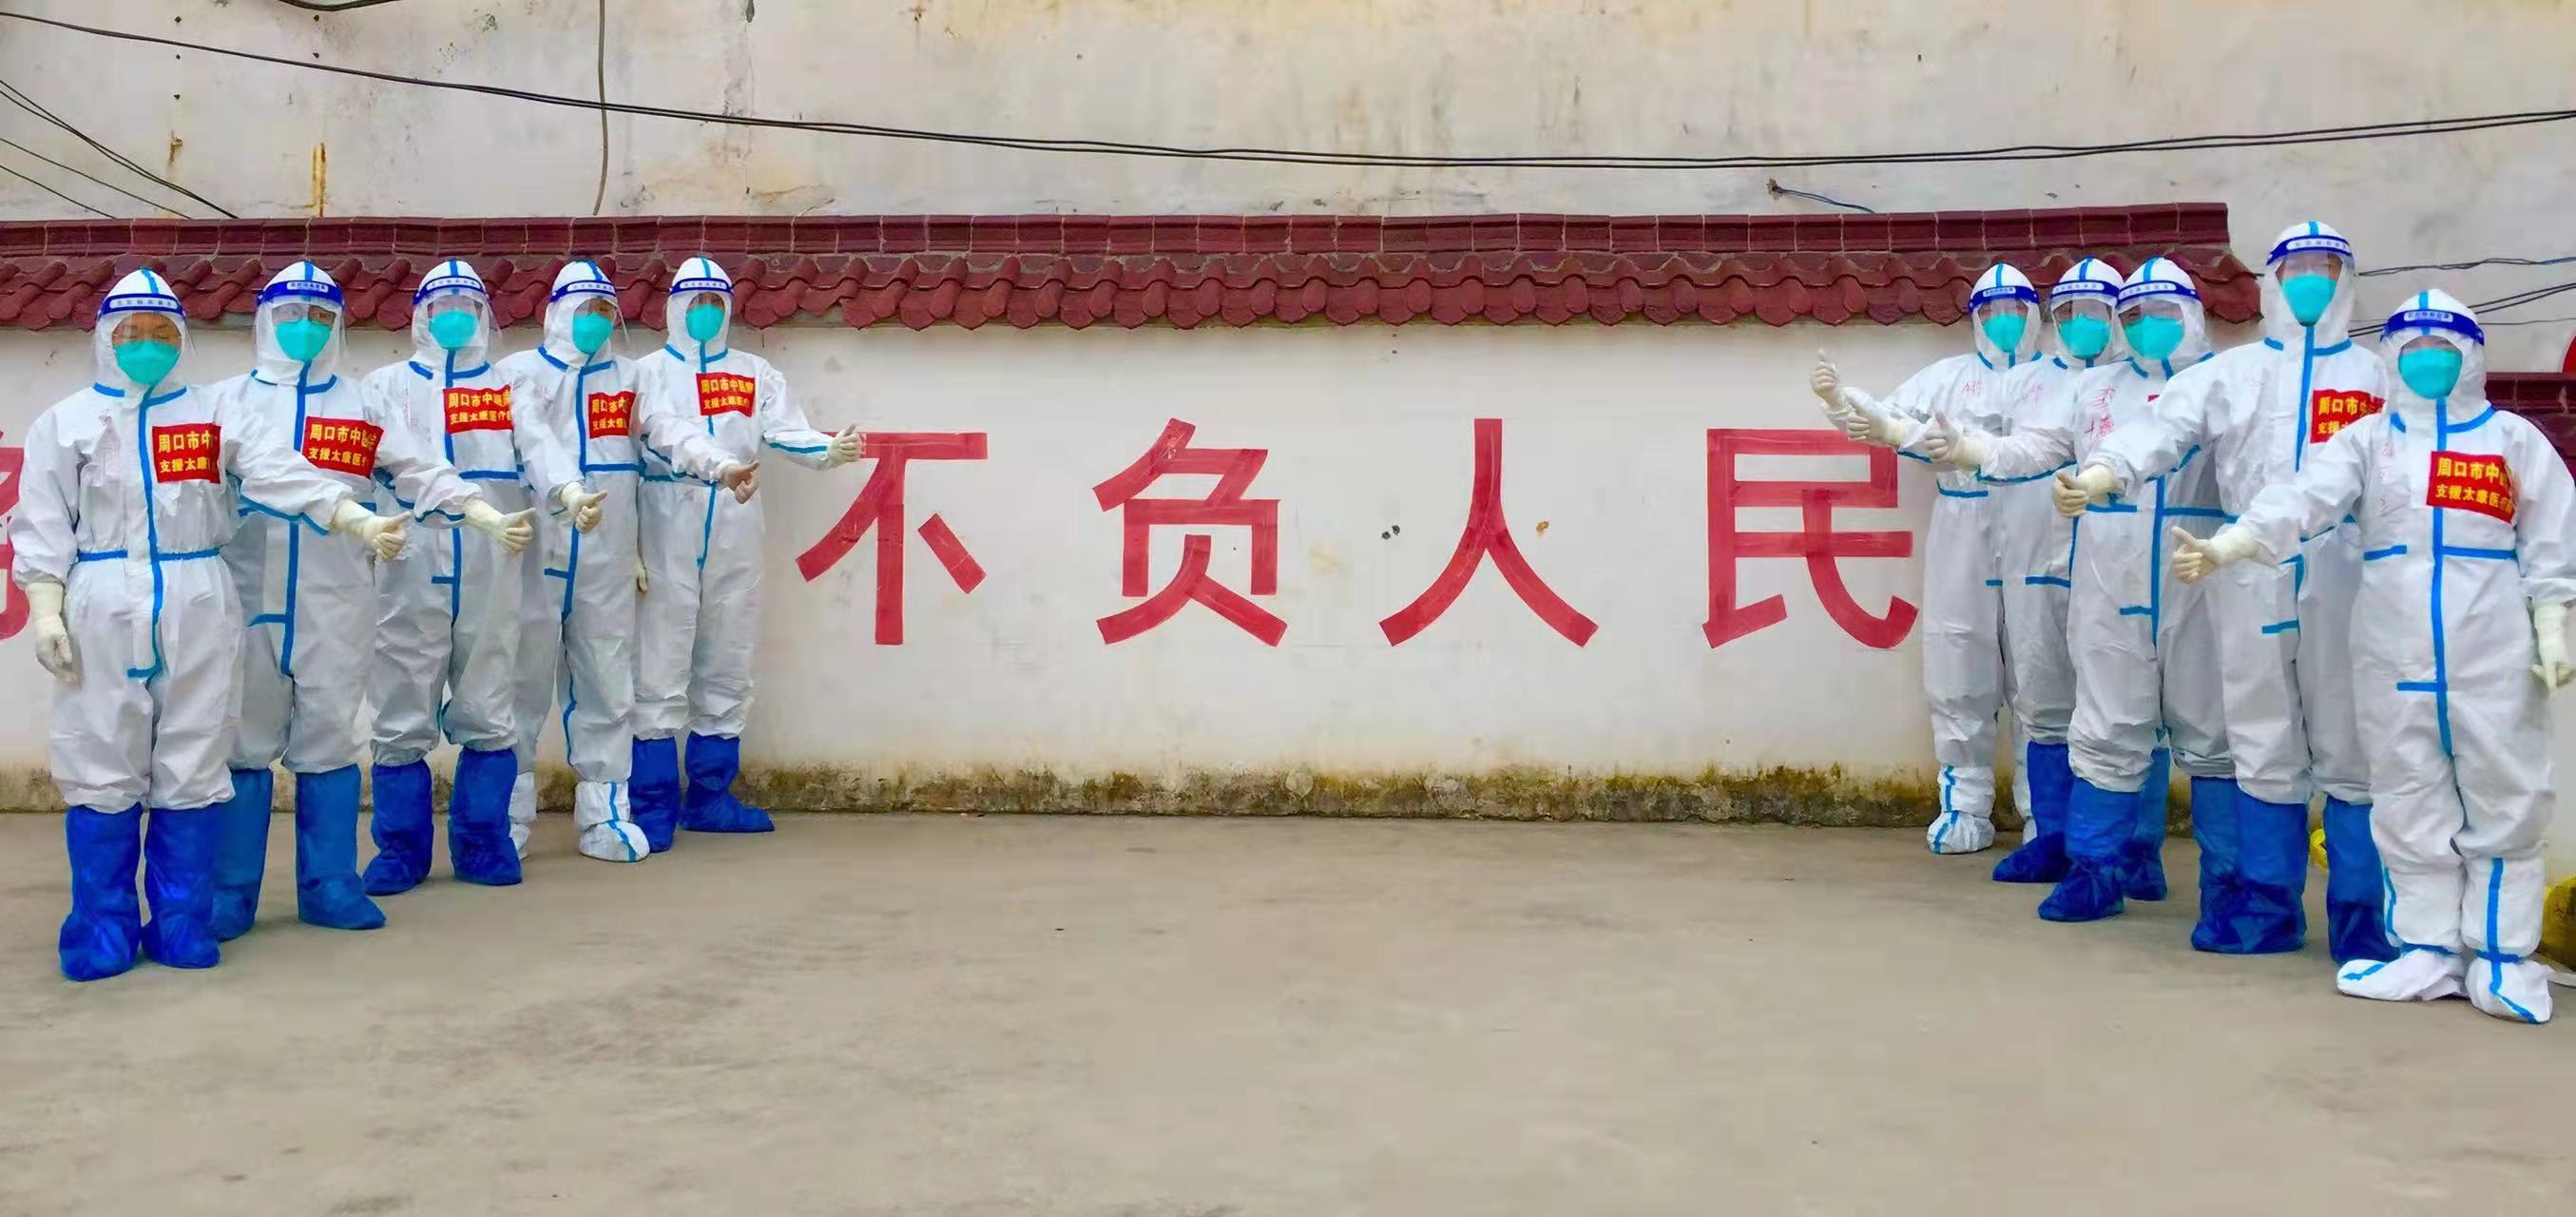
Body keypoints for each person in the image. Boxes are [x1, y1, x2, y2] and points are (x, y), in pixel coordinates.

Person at [2173, 290, 2575, 1023]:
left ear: (2470, 356)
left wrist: (2552, 626)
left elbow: (2552, 541)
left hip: (2492, 656)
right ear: (2391, 359)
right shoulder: (2369, 441)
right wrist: (2233, 544)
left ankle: (2502, 957)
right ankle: (2425, 949)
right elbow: (2302, 498)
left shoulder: (2513, 441)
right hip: (2393, 653)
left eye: (2442, 349)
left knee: (2507, 801)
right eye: (2412, 350)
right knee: (2407, 800)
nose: (2427, 362)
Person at [10, 268, 402, 980]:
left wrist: (352, 515)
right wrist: (44, 610)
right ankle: (100, 931)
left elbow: (279, 471)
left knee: (193, 759)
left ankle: (183, 923)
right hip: (100, 598)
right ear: (106, 338)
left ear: (181, 339)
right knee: (102, 762)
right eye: (133, 332)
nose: (147, 344)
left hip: (197, 593)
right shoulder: (65, 423)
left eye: (162, 332)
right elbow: (41, 523)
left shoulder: (213, 414)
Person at [2072, 222, 2392, 959]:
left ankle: (2361, 916)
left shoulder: (2376, 377)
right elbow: (2164, 426)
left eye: (2324, 267)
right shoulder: (2235, 373)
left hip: (2347, 567)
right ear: (2271, 282)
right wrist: (2106, 470)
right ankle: (2267, 906)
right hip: (2243, 566)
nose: (2308, 281)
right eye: (2295, 268)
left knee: (2353, 745)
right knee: (2260, 738)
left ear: (2345, 279)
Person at [205, 262, 531, 940]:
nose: (305, 328)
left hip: (336, 597)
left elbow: (420, 469)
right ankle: (230, 893)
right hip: (245, 594)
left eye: (320, 317)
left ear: (337, 326)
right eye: (291, 315)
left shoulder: (361, 405)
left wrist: (481, 512)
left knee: (330, 738)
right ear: (265, 319)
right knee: (243, 742)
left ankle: (329, 884)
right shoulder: (223, 402)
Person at [1921, 259, 2235, 922]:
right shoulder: (2094, 390)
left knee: (2211, 733)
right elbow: (2033, 448)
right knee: (2106, 721)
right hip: (2108, 576)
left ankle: (2219, 885)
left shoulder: (2224, 383)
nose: (2146, 327)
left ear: (2191, 312)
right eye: (2135, 315)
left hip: (2196, 577)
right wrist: (1970, 449)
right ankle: (2093, 867)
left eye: (2161, 312)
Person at [494, 261, 759, 864]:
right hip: (535, 552)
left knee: (608, 687)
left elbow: (669, 429)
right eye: (581, 310)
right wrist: (566, 491)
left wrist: (719, 464)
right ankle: (505, 821)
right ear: (556, 312)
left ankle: (605, 817)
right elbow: (531, 440)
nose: (591, 322)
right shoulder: (519, 373)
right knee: (520, 688)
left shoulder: (630, 377)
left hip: (606, 557)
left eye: (601, 312)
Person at [627, 258, 860, 848]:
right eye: (695, 301)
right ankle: (651, 802)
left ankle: (710, 796)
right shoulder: (645, 373)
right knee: (660, 657)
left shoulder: (754, 373)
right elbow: (648, 439)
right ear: (674, 307)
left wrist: (826, 450)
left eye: (716, 301)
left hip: (736, 514)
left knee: (727, 654)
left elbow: (784, 430)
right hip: (666, 512)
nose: (706, 312)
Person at [1810, 264, 2042, 857]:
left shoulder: (2054, 379)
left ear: (2036, 315)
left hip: (2037, 525)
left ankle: (2047, 813)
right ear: (1975, 319)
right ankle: (1964, 803)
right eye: (1991, 311)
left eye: (2015, 309)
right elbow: (1884, 419)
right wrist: (1838, 398)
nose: (2004, 321)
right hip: (1962, 523)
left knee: (2041, 666)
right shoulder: (1948, 378)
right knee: (1959, 658)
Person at [359, 261, 566, 894]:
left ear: (482, 315)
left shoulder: (507, 387)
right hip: (409, 559)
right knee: (401, 699)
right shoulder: (383, 386)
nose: (453, 315)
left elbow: (539, 446)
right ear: (421, 314)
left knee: (491, 698)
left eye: (466, 305)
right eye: (441, 305)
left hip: (493, 556)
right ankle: (400, 850)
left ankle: (483, 842)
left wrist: (569, 488)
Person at [1985, 258, 2124, 885]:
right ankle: (2052, 836)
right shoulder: (2027, 383)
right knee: (2042, 696)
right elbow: (2010, 449)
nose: (2081, 323)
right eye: (2068, 312)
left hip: (2113, 564)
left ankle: (2128, 852)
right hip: (2035, 556)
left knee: (2121, 704)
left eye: (2095, 310)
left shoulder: (2138, 386)